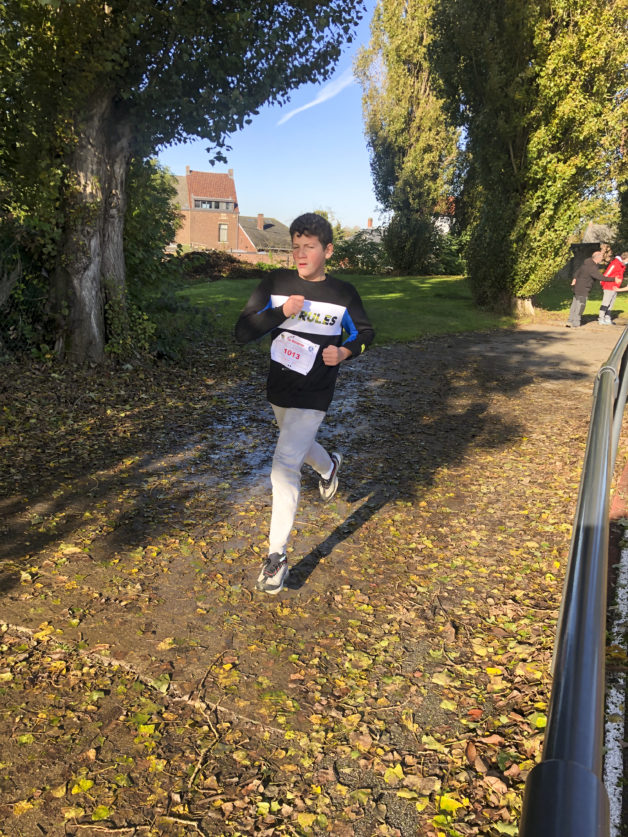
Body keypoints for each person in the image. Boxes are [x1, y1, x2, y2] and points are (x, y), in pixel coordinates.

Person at [235, 213, 375, 594]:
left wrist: (344, 351)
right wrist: (281, 312)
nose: (300, 254)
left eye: (308, 247)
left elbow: (365, 332)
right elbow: (242, 331)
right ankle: (329, 468)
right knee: (296, 446)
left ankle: (276, 558)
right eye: (295, 246)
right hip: (279, 390)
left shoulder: (343, 294)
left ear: (327, 250)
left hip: (316, 393)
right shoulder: (276, 285)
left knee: (284, 466)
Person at [566, 250, 605, 328]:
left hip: (578, 287)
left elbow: (577, 272)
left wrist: (574, 278)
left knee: (575, 305)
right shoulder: (592, 267)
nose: (602, 259)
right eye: (601, 257)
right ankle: (576, 323)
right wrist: (613, 279)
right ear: (598, 258)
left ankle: (570, 321)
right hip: (583, 289)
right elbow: (600, 277)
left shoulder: (586, 263)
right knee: (580, 306)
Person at [598, 251, 628, 325]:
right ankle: (601, 318)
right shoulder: (615, 263)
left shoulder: (622, 265)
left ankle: (607, 317)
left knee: (611, 303)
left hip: (615, 286)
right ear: (625, 258)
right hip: (609, 285)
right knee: (606, 302)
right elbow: (608, 272)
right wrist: (602, 281)